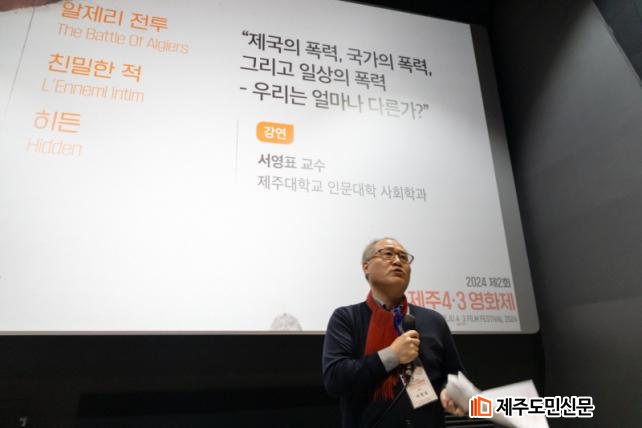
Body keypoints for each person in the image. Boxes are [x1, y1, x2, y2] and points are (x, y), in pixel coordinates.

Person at [322, 238, 466, 428]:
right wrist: (392, 355)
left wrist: (449, 391)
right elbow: (335, 379)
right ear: (366, 267)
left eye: (403, 257)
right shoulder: (347, 318)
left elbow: (454, 375)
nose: (397, 261)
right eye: (388, 254)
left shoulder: (433, 320)